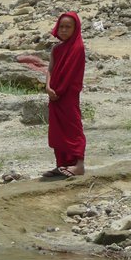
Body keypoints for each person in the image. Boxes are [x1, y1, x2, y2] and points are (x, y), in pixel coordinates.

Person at [42, 11, 86, 178]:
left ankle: (79, 165)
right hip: (54, 96)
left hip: (67, 96)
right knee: (58, 130)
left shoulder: (78, 47)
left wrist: (58, 91)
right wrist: (48, 87)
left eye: (68, 27)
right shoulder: (56, 49)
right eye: (61, 27)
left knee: (73, 128)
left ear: (75, 29)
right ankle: (61, 165)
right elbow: (50, 69)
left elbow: (70, 73)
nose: (64, 30)